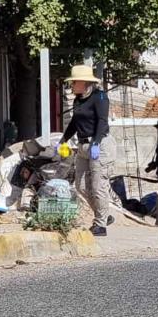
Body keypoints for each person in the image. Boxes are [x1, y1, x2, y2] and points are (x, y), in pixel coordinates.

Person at [58, 65, 113, 237]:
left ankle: (101, 225)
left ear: (84, 82)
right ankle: (103, 214)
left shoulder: (100, 97)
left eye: (74, 82)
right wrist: (63, 139)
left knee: (97, 187)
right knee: (80, 186)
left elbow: (102, 122)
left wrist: (96, 142)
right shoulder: (78, 100)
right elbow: (75, 122)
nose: (72, 85)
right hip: (82, 146)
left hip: (100, 144)